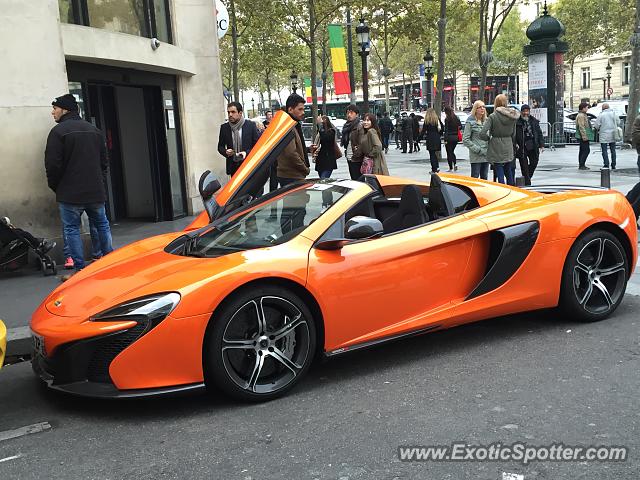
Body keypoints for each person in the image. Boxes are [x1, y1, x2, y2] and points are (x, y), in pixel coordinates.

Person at [45, 93, 113, 279]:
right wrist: (100, 182)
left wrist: (56, 186)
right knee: (102, 225)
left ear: (65, 109)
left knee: (72, 229)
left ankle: (80, 270)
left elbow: (52, 165)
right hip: (95, 190)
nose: (53, 112)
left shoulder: (58, 132)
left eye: (55, 108)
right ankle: (109, 262)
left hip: (70, 193)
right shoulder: (94, 130)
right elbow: (104, 163)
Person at [479, 93, 519, 185]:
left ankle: (502, 189)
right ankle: (511, 189)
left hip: (496, 145)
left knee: (499, 169)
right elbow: (514, 134)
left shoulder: (493, 116)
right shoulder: (512, 116)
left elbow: (482, 133)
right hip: (508, 143)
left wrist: (488, 138)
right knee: (508, 170)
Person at [217, 101, 260, 178]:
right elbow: (220, 147)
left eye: (233, 112)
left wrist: (246, 153)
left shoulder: (251, 126)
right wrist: (226, 152)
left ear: (240, 113)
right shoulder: (224, 128)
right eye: (228, 112)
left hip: (249, 165)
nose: (230, 115)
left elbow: (258, 145)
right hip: (233, 167)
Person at [276, 94, 310, 186]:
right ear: (290, 110)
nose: (303, 112)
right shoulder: (288, 127)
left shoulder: (290, 124)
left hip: (289, 175)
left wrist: (307, 149)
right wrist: (304, 168)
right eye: (300, 109)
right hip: (292, 176)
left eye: (303, 109)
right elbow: (291, 153)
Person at [514, 104, 544, 185]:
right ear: (521, 112)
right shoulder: (517, 122)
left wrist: (541, 144)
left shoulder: (534, 121)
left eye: (527, 111)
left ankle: (527, 178)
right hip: (522, 146)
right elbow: (514, 134)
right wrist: (516, 144)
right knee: (524, 167)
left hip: (532, 145)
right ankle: (527, 183)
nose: (525, 113)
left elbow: (539, 133)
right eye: (524, 111)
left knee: (534, 162)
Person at [463, 100, 489, 180]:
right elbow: (465, 139)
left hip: (486, 154)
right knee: (475, 177)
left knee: (484, 177)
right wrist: (477, 149)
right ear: (475, 109)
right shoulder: (470, 122)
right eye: (480, 107)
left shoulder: (487, 121)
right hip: (476, 155)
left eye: (483, 107)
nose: (482, 109)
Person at [341, 104, 365, 180]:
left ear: (357, 114)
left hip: (356, 158)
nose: (349, 115)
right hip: (349, 156)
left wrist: (356, 155)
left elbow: (362, 143)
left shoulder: (360, 126)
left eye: (351, 113)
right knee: (354, 178)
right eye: (347, 113)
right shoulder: (347, 126)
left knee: (358, 180)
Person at [594, 103, 620, 169]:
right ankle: (613, 164)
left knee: (604, 151)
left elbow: (597, 125)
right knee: (613, 150)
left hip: (604, 134)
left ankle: (606, 164)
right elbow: (618, 122)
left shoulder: (601, 115)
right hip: (613, 134)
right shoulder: (614, 114)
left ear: (603, 108)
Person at [420, 108, 443, 174]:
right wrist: (439, 134)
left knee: (432, 154)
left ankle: (434, 168)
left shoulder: (427, 121)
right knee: (435, 153)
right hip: (437, 137)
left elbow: (423, 131)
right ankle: (437, 166)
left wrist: (419, 138)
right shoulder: (437, 120)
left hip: (430, 138)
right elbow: (442, 128)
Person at [443, 106, 462, 171]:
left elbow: (446, 130)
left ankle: (450, 167)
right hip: (455, 137)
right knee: (452, 151)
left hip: (449, 137)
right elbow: (460, 127)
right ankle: (455, 164)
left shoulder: (447, 119)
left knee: (449, 152)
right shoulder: (456, 118)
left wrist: (445, 139)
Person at [575, 102, 592, 170]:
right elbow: (581, 126)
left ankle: (582, 164)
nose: (587, 109)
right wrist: (584, 136)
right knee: (586, 150)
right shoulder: (581, 115)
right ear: (583, 108)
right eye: (587, 107)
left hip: (583, 134)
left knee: (582, 150)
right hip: (583, 135)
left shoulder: (583, 114)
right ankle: (582, 164)